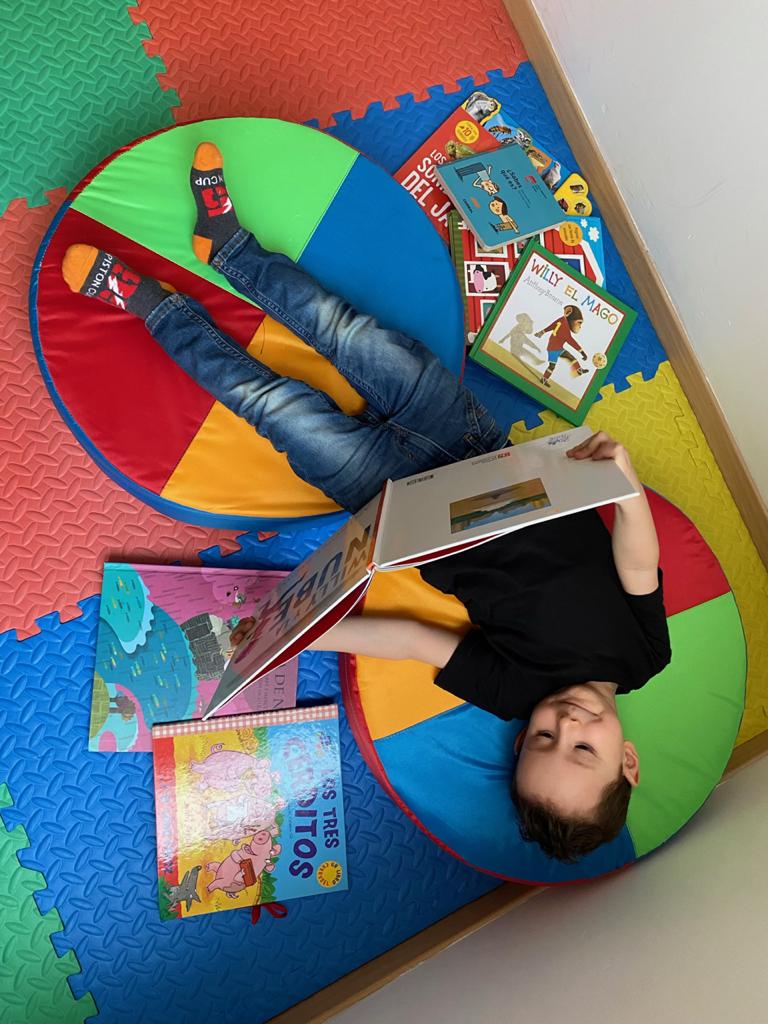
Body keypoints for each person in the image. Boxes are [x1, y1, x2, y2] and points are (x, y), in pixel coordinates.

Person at [62, 142, 671, 863]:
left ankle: (152, 307)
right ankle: (228, 246)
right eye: (583, 748)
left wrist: (301, 635)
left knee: (268, 404)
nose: (565, 722)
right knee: (345, 331)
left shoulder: (515, 691)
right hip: (470, 441)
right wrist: (627, 494)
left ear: (521, 740)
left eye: (544, 740)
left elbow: (413, 640)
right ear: (628, 759)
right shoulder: (643, 655)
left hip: (400, 506)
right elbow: (639, 569)